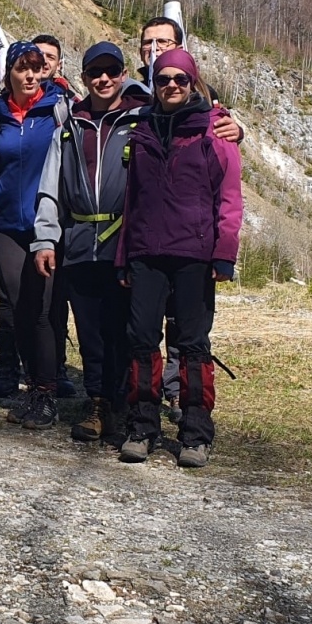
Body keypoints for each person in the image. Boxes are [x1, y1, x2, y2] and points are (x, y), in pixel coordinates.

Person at [116, 47, 242, 467]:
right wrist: (123, 257)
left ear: (193, 82)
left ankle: (195, 432)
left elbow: (230, 198)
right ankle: (142, 427)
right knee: (141, 342)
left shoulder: (215, 130)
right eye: (163, 79)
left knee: (191, 346)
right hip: (146, 253)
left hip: (195, 255)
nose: (171, 85)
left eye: (180, 79)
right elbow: (131, 200)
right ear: (154, 84)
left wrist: (224, 254)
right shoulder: (142, 128)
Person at [33, 41, 149, 445]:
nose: (103, 79)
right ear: (83, 78)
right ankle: (98, 403)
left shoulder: (142, 120)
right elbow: (50, 188)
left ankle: (126, 406)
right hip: (80, 244)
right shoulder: (69, 126)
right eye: (94, 72)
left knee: (127, 330)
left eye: (111, 71)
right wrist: (45, 239)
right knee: (90, 331)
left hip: (125, 245)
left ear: (122, 75)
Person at [0, 42, 69, 430]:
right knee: (18, 309)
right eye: (22, 69)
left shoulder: (59, 110)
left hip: (50, 226)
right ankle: (34, 387)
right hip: (8, 226)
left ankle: (46, 391)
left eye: (36, 68)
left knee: (42, 311)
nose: (30, 76)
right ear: (8, 73)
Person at [30, 32, 78, 397]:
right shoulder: (1, 107)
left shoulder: (69, 105)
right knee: (14, 301)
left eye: (50, 56)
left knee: (53, 301)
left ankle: (54, 369)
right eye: (37, 55)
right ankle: (11, 367)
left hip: (60, 219)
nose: (43, 62)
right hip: (17, 217)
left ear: (59, 63)